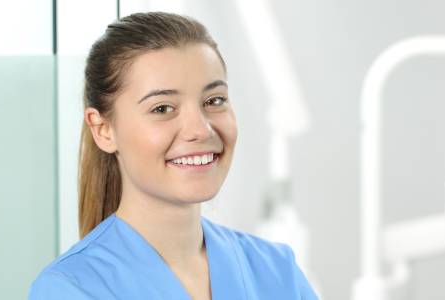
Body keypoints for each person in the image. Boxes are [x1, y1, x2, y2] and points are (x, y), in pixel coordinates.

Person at [28, 12, 318, 300]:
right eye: (163, 108)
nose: (201, 130)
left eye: (213, 101)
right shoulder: (68, 289)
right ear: (104, 130)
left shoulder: (278, 271)